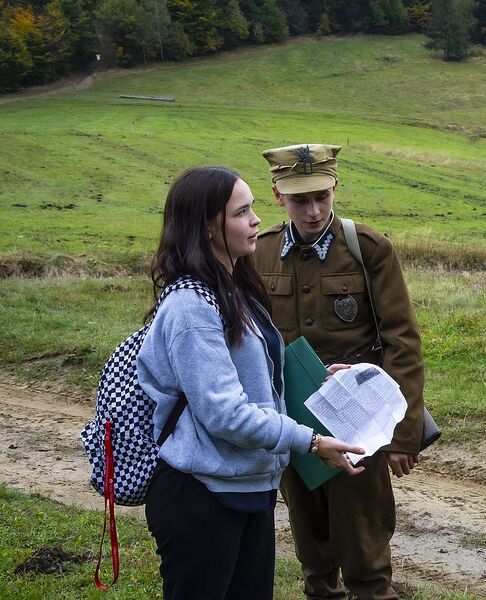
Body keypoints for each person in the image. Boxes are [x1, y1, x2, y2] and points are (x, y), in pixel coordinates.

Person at [136, 166, 365, 600]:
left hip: (248, 488)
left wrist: (320, 384)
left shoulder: (233, 288)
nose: (257, 220)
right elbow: (225, 413)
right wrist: (313, 442)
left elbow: (260, 383)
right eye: (242, 212)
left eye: (253, 208)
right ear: (207, 228)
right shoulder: (193, 307)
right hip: (202, 496)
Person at [253, 144, 425, 600]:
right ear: (277, 196)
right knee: (312, 553)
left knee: (365, 552)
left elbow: (402, 343)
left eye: (321, 197)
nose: (312, 211)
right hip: (293, 424)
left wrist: (403, 435)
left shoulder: (367, 249)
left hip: (359, 424)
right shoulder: (261, 253)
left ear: (336, 188)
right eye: (299, 200)